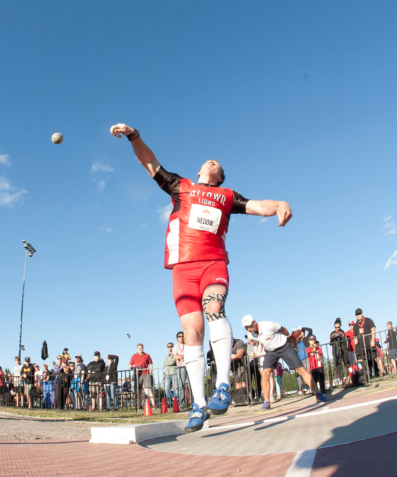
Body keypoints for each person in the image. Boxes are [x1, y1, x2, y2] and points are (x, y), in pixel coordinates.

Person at [112, 122, 293, 432]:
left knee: (214, 308)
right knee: (193, 331)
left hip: (213, 264)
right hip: (183, 269)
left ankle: (222, 385)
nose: (212, 161)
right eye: (208, 161)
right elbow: (149, 163)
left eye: (218, 164)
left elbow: (256, 205)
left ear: (220, 177)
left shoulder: (226, 196)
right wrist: (134, 135)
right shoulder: (180, 187)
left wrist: (278, 204)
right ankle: (198, 405)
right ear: (198, 171)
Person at [242, 314, 326, 411]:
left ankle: (318, 394)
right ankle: (266, 402)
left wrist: (289, 338)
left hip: (284, 347)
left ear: (254, 322)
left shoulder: (268, 325)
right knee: (265, 373)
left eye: (250, 326)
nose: (249, 329)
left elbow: (284, 329)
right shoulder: (250, 335)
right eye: (246, 328)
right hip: (270, 351)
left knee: (301, 369)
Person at [350, 308, 378, 383]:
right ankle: (366, 375)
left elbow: (373, 329)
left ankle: (376, 372)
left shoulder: (368, 320)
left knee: (372, 359)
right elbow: (355, 336)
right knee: (362, 361)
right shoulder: (355, 326)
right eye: (357, 315)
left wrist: (373, 340)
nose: (358, 316)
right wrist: (355, 344)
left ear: (362, 314)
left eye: (359, 314)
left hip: (369, 343)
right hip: (361, 346)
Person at [129, 344, 153, 409]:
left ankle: (153, 404)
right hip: (138, 375)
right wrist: (135, 368)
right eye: (139, 348)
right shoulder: (134, 356)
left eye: (141, 348)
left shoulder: (147, 355)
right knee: (139, 390)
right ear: (137, 349)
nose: (140, 349)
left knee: (149, 389)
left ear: (143, 348)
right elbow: (130, 366)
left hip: (146, 374)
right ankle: (140, 405)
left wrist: (150, 372)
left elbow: (151, 365)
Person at [329, 319, 350, 386]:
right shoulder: (332, 333)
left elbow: (344, 340)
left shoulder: (342, 332)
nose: (337, 329)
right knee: (338, 364)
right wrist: (333, 338)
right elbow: (330, 342)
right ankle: (341, 379)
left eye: (338, 327)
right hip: (335, 350)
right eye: (336, 327)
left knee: (346, 362)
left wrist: (340, 335)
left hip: (343, 349)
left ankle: (349, 378)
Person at [172, 331, 188, 408]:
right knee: (181, 385)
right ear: (177, 338)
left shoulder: (188, 346)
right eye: (179, 336)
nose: (181, 337)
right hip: (180, 367)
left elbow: (189, 355)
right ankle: (182, 403)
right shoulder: (175, 347)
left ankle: (192, 401)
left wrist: (181, 356)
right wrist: (181, 356)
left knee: (189, 385)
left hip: (187, 366)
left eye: (182, 336)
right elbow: (176, 357)